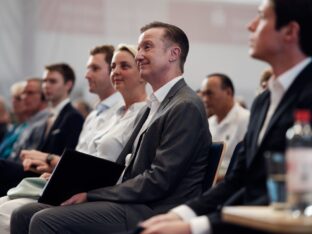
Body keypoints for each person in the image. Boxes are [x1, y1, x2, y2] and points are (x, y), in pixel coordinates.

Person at [11, 22, 211, 234]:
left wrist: (93, 194)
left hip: (156, 209)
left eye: (147, 47)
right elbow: (119, 169)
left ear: (173, 54)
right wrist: (75, 186)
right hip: (134, 202)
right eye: (139, 48)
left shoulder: (185, 105)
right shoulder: (155, 105)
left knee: (44, 221)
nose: (139, 55)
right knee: (23, 213)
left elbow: (159, 181)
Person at [139, 0, 312, 233]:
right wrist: (181, 214)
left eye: (261, 17)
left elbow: (290, 196)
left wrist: (197, 226)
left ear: (290, 31)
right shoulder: (264, 100)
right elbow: (239, 180)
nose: (250, 26)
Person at [0, 44, 147, 234]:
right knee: (7, 206)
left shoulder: (143, 113)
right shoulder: (115, 113)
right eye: (112, 67)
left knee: (14, 213)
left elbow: (124, 169)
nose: (116, 72)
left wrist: (53, 163)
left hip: (100, 193)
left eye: (124, 66)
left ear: (141, 72)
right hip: (78, 186)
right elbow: (84, 158)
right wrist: (59, 174)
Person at [0, 64, 84, 196]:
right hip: (36, 169)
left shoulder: (73, 116)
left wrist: (42, 162)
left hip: (49, 175)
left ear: (68, 85)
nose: (46, 85)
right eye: (45, 81)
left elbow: (68, 158)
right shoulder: (52, 115)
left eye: (53, 81)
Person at [201, 73, 250, 178]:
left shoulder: (247, 120)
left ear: (228, 92)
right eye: (203, 94)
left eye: (209, 94)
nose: (205, 99)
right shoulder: (207, 124)